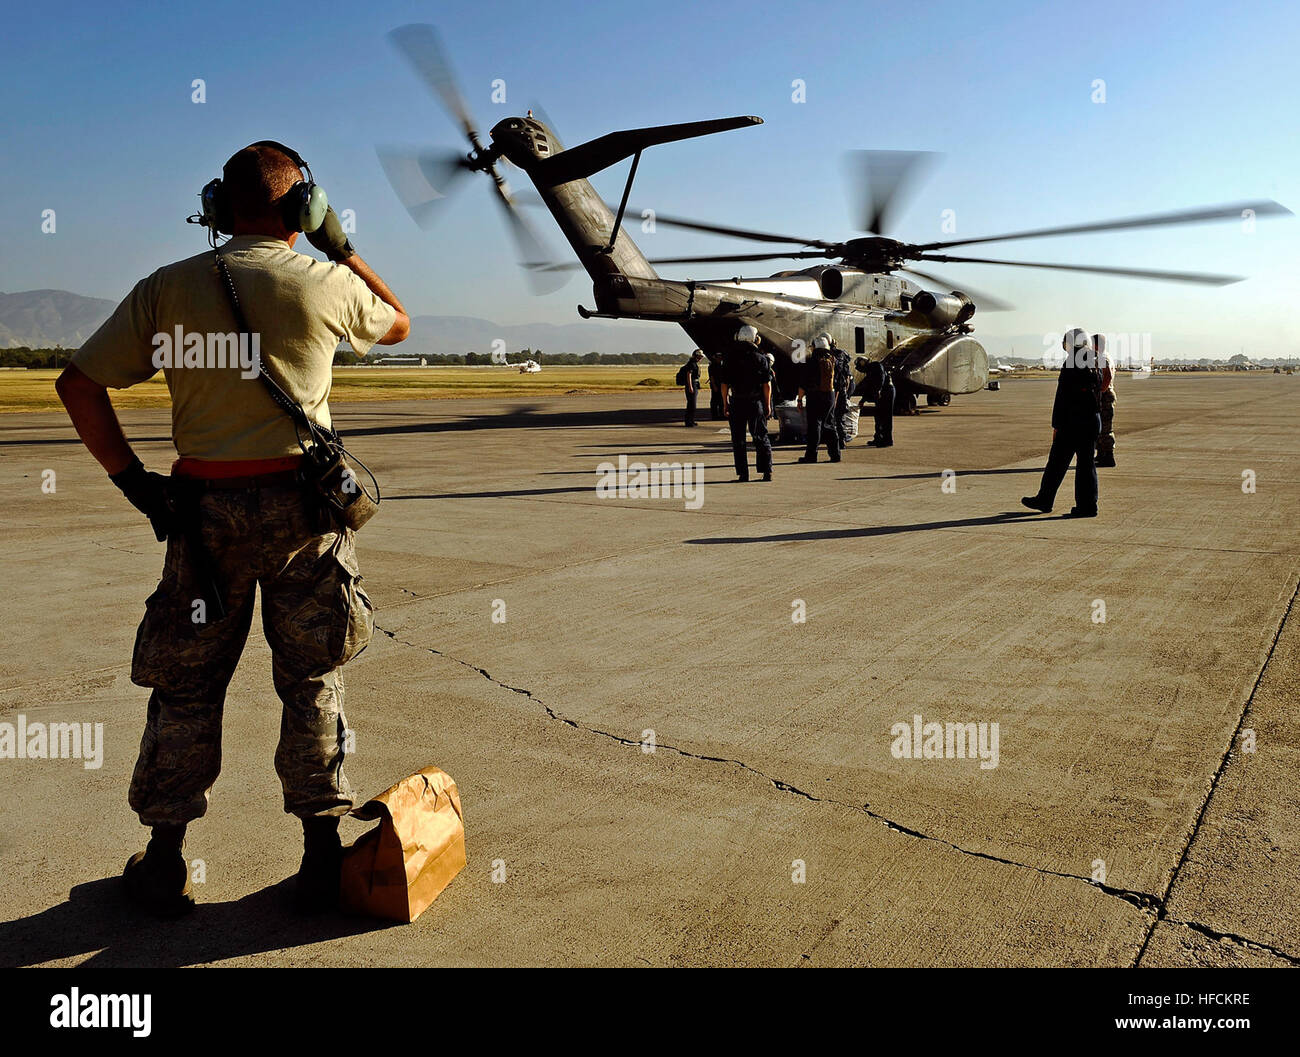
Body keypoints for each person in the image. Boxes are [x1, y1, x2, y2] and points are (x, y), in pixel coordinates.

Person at [55, 141, 409, 916]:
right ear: (300, 209)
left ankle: (163, 862)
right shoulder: (326, 281)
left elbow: (78, 384)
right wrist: (339, 244)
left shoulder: (167, 288)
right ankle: (321, 859)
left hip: (202, 512)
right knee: (311, 679)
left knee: (185, 687)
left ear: (218, 206)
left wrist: (134, 483)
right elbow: (400, 325)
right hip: (302, 511)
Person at [1022, 328, 1102, 517]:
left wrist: (1057, 424)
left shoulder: (1073, 362)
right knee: (1086, 465)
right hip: (1091, 420)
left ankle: (1045, 500)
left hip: (1073, 422)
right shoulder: (1094, 359)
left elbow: (1064, 398)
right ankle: (1087, 505)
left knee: (1057, 463)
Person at [720, 324, 773, 482]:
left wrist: (725, 403)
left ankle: (743, 474)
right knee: (761, 437)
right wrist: (768, 404)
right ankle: (766, 472)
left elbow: (724, 385)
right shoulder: (761, 358)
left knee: (738, 440)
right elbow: (767, 385)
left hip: (737, 401)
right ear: (755, 338)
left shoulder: (729, 358)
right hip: (755, 402)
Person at [796, 334, 841, 463]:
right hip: (830, 396)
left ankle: (811, 455)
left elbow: (803, 384)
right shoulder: (834, 360)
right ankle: (835, 454)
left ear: (814, 347)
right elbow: (839, 383)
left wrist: (799, 400)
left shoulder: (810, 361)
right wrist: (835, 399)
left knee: (814, 426)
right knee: (830, 425)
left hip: (814, 396)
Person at [1093, 333, 1116, 467]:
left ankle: (1108, 456)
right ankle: (1102, 455)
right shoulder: (1105, 356)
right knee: (1101, 428)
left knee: (1105, 428)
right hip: (1105, 394)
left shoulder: (1101, 357)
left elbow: (1106, 376)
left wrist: (1100, 391)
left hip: (1105, 396)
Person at [832, 339, 853, 448]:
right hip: (842, 391)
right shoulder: (843, 361)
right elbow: (848, 379)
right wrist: (846, 393)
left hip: (833, 392)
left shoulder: (828, 358)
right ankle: (842, 440)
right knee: (840, 417)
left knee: (831, 419)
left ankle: (835, 442)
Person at [870, 366, 895, 447]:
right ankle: (878, 438)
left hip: (887, 392)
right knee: (878, 416)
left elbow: (881, 379)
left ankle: (887, 440)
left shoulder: (876, 367)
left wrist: (879, 390)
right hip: (883, 392)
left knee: (886, 417)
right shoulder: (872, 370)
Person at [678, 349, 703, 426]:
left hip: (694, 384)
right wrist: (690, 387)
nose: (700, 358)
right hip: (692, 384)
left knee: (692, 404)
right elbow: (689, 375)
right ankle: (688, 422)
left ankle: (691, 420)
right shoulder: (691, 364)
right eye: (699, 357)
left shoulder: (694, 363)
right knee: (692, 405)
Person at [707, 352, 725, 420]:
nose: (720, 359)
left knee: (721, 401)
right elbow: (711, 377)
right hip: (716, 385)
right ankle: (714, 416)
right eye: (719, 358)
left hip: (720, 384)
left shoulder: (720, 365)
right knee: (715, 401)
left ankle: (721, 414)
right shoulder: (712, 366)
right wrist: (714, 386)